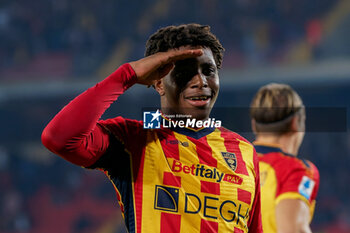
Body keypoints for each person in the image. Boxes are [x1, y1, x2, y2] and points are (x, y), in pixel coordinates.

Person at [42, 23, 262, 233]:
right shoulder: (133, 141)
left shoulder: (243, 151)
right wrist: (127, 75)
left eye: (208, 71)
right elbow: (58, 138)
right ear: (158, 82)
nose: (201, 81)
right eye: (185, 71)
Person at [250, 83, 320, 233]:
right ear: (296, 123)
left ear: (254, 125)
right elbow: (294, 229)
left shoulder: (229, 162)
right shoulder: (297, 170)